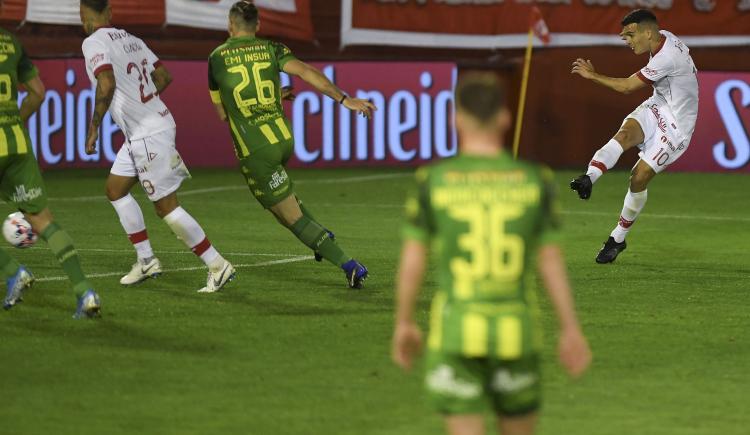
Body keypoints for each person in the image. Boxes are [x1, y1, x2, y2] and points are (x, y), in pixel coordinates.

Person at [391, 72, 591, 435]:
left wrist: (405, 322)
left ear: (457, 118)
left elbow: (414, 258)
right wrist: (570, 328)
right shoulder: (536, 180)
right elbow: (550, 261)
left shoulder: (433, 180)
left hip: (455, 334)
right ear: (504, 118)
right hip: (518, 334)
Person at [207, 1, 376, 289]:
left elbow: (224, 113)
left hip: (256, 150)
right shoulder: (273, 48)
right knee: (281, 209)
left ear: (230, 25)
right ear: (258, 26)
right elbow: (307, 72)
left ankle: (349, 265)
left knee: (289, 216)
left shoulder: (217, 58)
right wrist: (345, 100)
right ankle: (321, 238)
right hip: (283, 139)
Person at [80, 0, 235, 293]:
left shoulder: (93, 42)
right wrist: (145, 102)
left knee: (166, 207)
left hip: (147, 133)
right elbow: (163, 77)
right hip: (149, 126)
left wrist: (94, 126)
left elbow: (106, 82)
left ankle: (217, 265)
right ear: (109, 12)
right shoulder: (132, 39)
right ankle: (147, 259)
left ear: (82, 14)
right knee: (115, 189)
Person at [570, 9, 698, 263]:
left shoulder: (668, 57)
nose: (627, 41)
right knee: (625, 133)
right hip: (658, 105)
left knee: (638, 178)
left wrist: (592, 76)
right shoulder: (663, 37)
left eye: (630, 35)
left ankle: (618, 238)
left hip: (677, 127)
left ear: (647, 32)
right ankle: (589, 178)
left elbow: (627, 87)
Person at [0, 27, 100, 318]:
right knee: (43, 220)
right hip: (17, 144)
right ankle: (85, 292)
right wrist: (12, 123)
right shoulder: (11, 42)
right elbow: (38, 93)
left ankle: (13, 272)